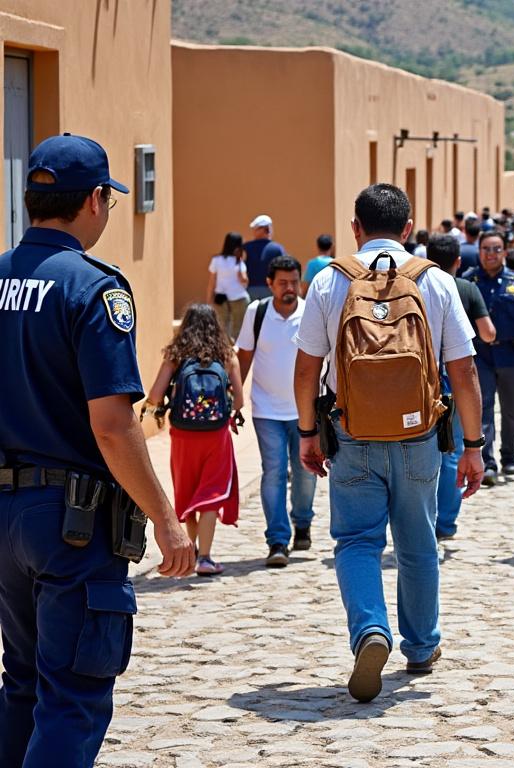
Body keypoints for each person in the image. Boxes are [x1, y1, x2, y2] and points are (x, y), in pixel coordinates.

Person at [0, 134, 195, 767]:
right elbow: (113, 425)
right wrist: (166, 518)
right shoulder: (92, 287)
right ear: (92, 202)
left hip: (5, 515)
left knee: (22, 687)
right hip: (71, 525)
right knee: (73, 698)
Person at [294, 183, 485, 701]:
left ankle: (370, 631)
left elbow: (307, 367)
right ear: (408, 229)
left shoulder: (329, 282)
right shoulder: (436, 282)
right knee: (418, 542)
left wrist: (308, 433)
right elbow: (463, 371)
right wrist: (473, 445)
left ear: (355, 227)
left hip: (351, 433)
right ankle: (420, 647)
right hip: (420, 434)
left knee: (357, 541)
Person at [145, 304, 245, 576]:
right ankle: (206, 558)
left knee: (188, 490)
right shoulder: (226, 356)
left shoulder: (176, 356)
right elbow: (240, 400)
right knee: (211, 494)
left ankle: (193, 552)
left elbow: (154, 395)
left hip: (183, 435)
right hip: (216, 435)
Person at [236, 255, 315, 567]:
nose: (290, 288)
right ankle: (278, 540)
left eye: (294, 282)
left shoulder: (311, 312)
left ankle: (303, 521)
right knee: (274, 471)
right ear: (269, 284)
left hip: (305, 410)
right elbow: (243, 357)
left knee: (306, 472)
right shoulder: (256, 313)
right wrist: (235, 399)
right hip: (267, 409)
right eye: (283, 283)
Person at [424, 233, 496, 541]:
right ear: (458, 261)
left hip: (422, 383)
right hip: (456, 383)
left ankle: (422, 520)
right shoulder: (466, 288)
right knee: (452, 453)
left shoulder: (416, 285)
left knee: (422, 453)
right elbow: (488, 333)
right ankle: (446, 523)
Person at [462, 231, 514, 486]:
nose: (491, 254)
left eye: (496, 249)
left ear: (505, 253)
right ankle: (487, 462)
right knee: (483, 408)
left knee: (512, 411)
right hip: (480, 356)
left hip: (513, 355)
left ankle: (509, 456)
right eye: (486, 249)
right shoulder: (468, 282)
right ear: (479, 252)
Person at [207, 231, 250, 340]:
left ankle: (224, 354)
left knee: (221, 329)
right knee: (239, 330)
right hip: (239, 297)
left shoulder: (216, 260)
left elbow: (212, 282)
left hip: (221, 298)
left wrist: (209, 300)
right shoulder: (239, 262)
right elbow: (245, 281)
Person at [242, 214, 287, 301]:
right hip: (271, 289)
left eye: (255, 229)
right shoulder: (278, 248)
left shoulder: (246, 247)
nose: (253, 231)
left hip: (250, 289)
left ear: (263, 229)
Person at [302, 234, 334, 298]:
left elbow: (306, 285)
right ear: (331, 246)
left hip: (315, 299)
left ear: (318, 246)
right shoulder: (335, 263)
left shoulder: (312, 263)